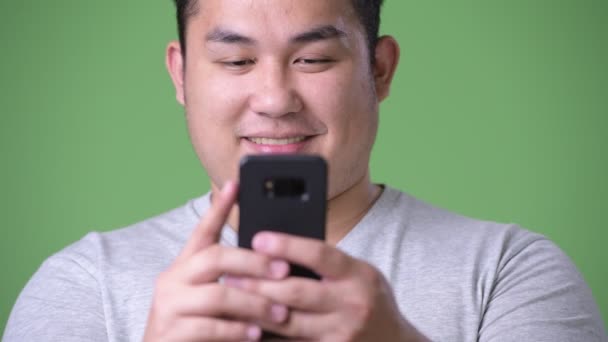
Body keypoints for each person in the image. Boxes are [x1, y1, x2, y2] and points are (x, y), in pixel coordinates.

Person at [3, 0, 606, 341]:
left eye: (313, 58)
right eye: (236, 60)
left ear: (381, 70)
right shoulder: (83, 286)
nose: (274, 97)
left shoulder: (508, 273)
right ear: (181, 75)